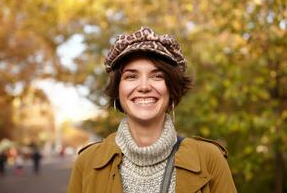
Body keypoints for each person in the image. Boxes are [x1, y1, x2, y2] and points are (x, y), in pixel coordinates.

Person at [67, 27, 237, 193]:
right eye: (131, 76)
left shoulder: (209, 159)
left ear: (171, 88)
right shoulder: (87, 162)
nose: (144, 87)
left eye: (157, 76)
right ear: (117, 90)